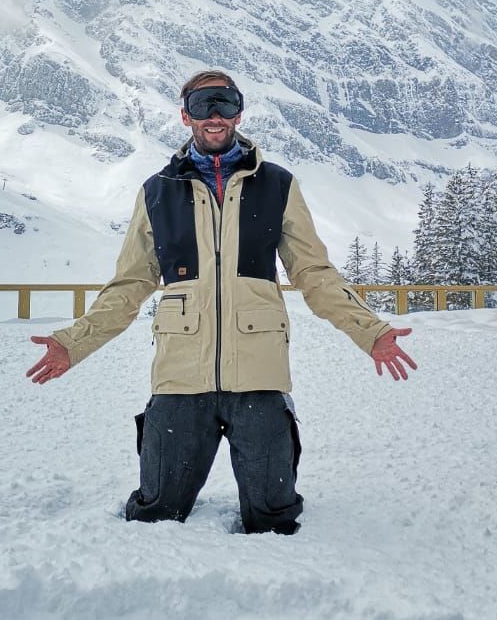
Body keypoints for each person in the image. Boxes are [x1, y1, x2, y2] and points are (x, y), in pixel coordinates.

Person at [26, 70, 416, 534]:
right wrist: (75, 342)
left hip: (258, 372)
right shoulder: (158, 191)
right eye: (204, 103)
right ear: (185, 113)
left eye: (225, 103)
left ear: (240, 112)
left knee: (274, 516)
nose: (215, 116)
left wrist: (369, 331)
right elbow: (130, 284)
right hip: (180, 375)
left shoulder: (277, 185)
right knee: (156, 513)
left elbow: (313, 273)